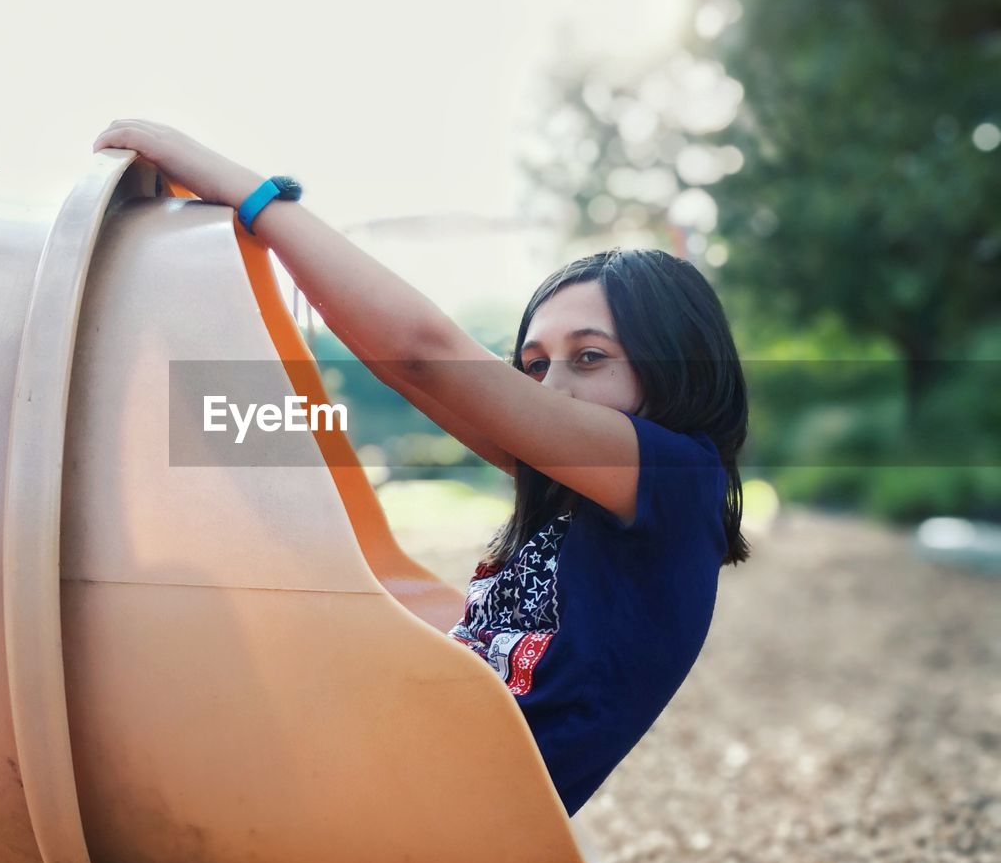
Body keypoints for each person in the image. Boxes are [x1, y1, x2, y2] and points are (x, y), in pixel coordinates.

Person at [91, 118, 751, 817]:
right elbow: (411, 373)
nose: (549, 388)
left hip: (434, 808)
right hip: (407, 765)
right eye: (531, 366)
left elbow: (421, 351)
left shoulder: (679, 480)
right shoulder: (584, 491)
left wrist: (249, 194)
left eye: (589, 357)